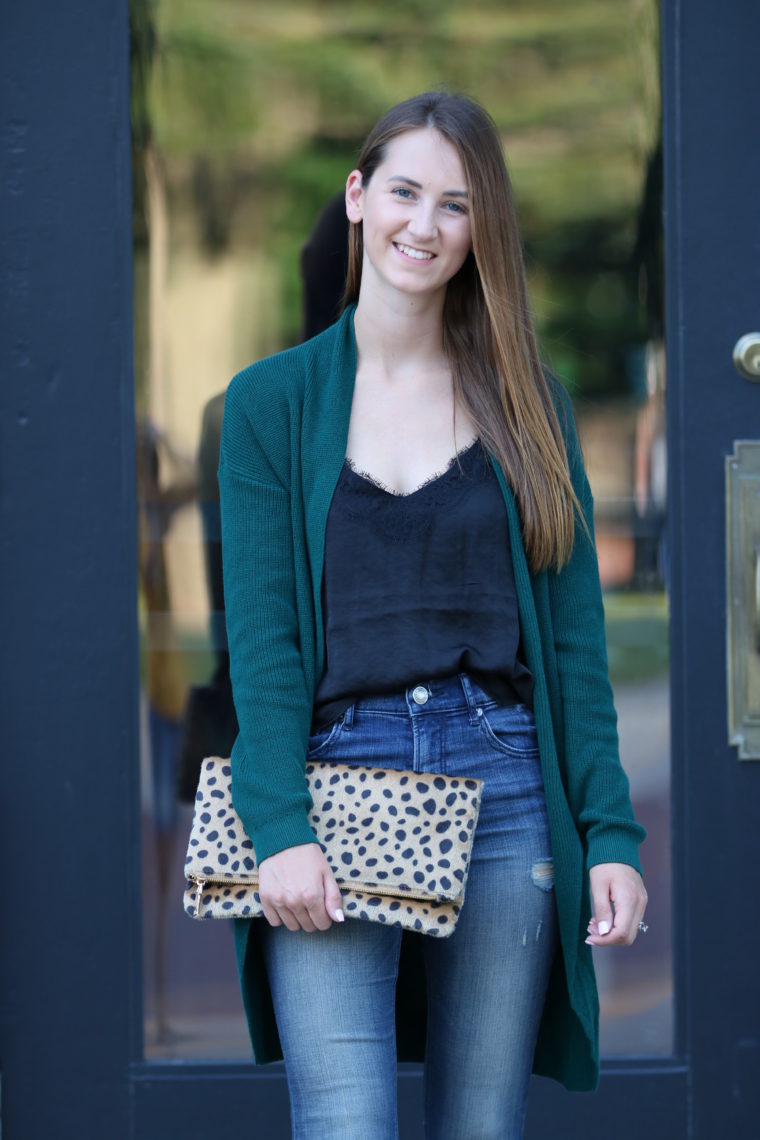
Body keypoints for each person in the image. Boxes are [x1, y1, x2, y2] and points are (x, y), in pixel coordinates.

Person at [218, 91, 648, 1140]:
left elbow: (574, 646)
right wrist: (278, 829)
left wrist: (611, 833)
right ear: (358, 198)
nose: (424, 225)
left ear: (478, 231)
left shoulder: (525, 399)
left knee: (479, 1126)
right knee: (345, 1123)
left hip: (502, 786)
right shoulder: (270, 404)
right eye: (404, 192)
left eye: (455, 206)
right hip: (330, 785)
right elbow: (263, 645)